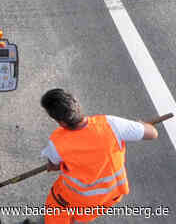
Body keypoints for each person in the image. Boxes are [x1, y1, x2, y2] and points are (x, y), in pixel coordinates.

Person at [36, 88, 158, 223]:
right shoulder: (111, 124)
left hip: (77, 199)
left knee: (56, 210)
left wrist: (52, 166)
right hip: (110, 196)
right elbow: (152, 133)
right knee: (83, 214)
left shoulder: (57, 141)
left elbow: (54, 165)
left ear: (61, 122)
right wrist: (141, 125)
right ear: (77, 105)